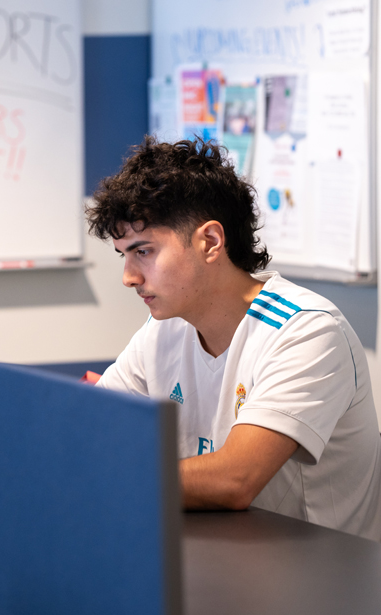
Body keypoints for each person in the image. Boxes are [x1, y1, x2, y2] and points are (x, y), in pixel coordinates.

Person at [86, 137, 381, 540]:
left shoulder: (308, 330)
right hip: (222, 552)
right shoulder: (165, 327)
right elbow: (91, 437)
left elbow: (234, 480)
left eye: (144, 252)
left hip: (319, 581)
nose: (129, 277)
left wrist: (106, 476)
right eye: (125, 256)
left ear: (210, 242)